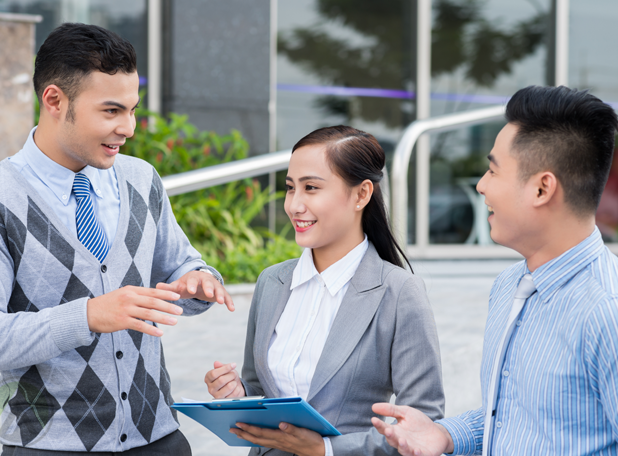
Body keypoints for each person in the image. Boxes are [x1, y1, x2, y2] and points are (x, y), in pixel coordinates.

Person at [0, 23, 234, 455]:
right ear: (54, 100)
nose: (128, 128)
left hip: (159, 438)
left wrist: (198, 278)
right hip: (47, 446)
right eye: (111, 111)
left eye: (132, 110)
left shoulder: (140, 179)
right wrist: (88, 315)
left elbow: (182, 263)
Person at [371, 85, 618, 455]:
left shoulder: (607, 309)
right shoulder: (509, 285)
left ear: (542, 189)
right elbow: (512, 419)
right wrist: (447, 434)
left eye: (492, 170)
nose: (481, 186)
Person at [204, 126, 445, 456]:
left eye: (311, 188)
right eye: (290, 189)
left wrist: (326, 449)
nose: (295, 205)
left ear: (361, 195)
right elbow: (260, 388)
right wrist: (236, 393)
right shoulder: (271, 283)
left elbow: (423, 426)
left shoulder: (399, 293)